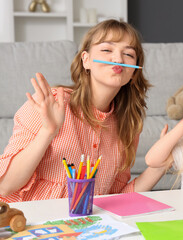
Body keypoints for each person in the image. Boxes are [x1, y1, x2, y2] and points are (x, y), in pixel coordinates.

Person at [0, 20, 165, 202]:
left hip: (85, 225)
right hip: (29, 222)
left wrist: (160, 166)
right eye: (106, 50)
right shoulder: (51, 103)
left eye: (128, 54)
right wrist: (48, 132)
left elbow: (116, 198)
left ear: (133, 72)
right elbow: (5, 186)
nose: (118, 59)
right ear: (86, 60)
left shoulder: (128, 125)